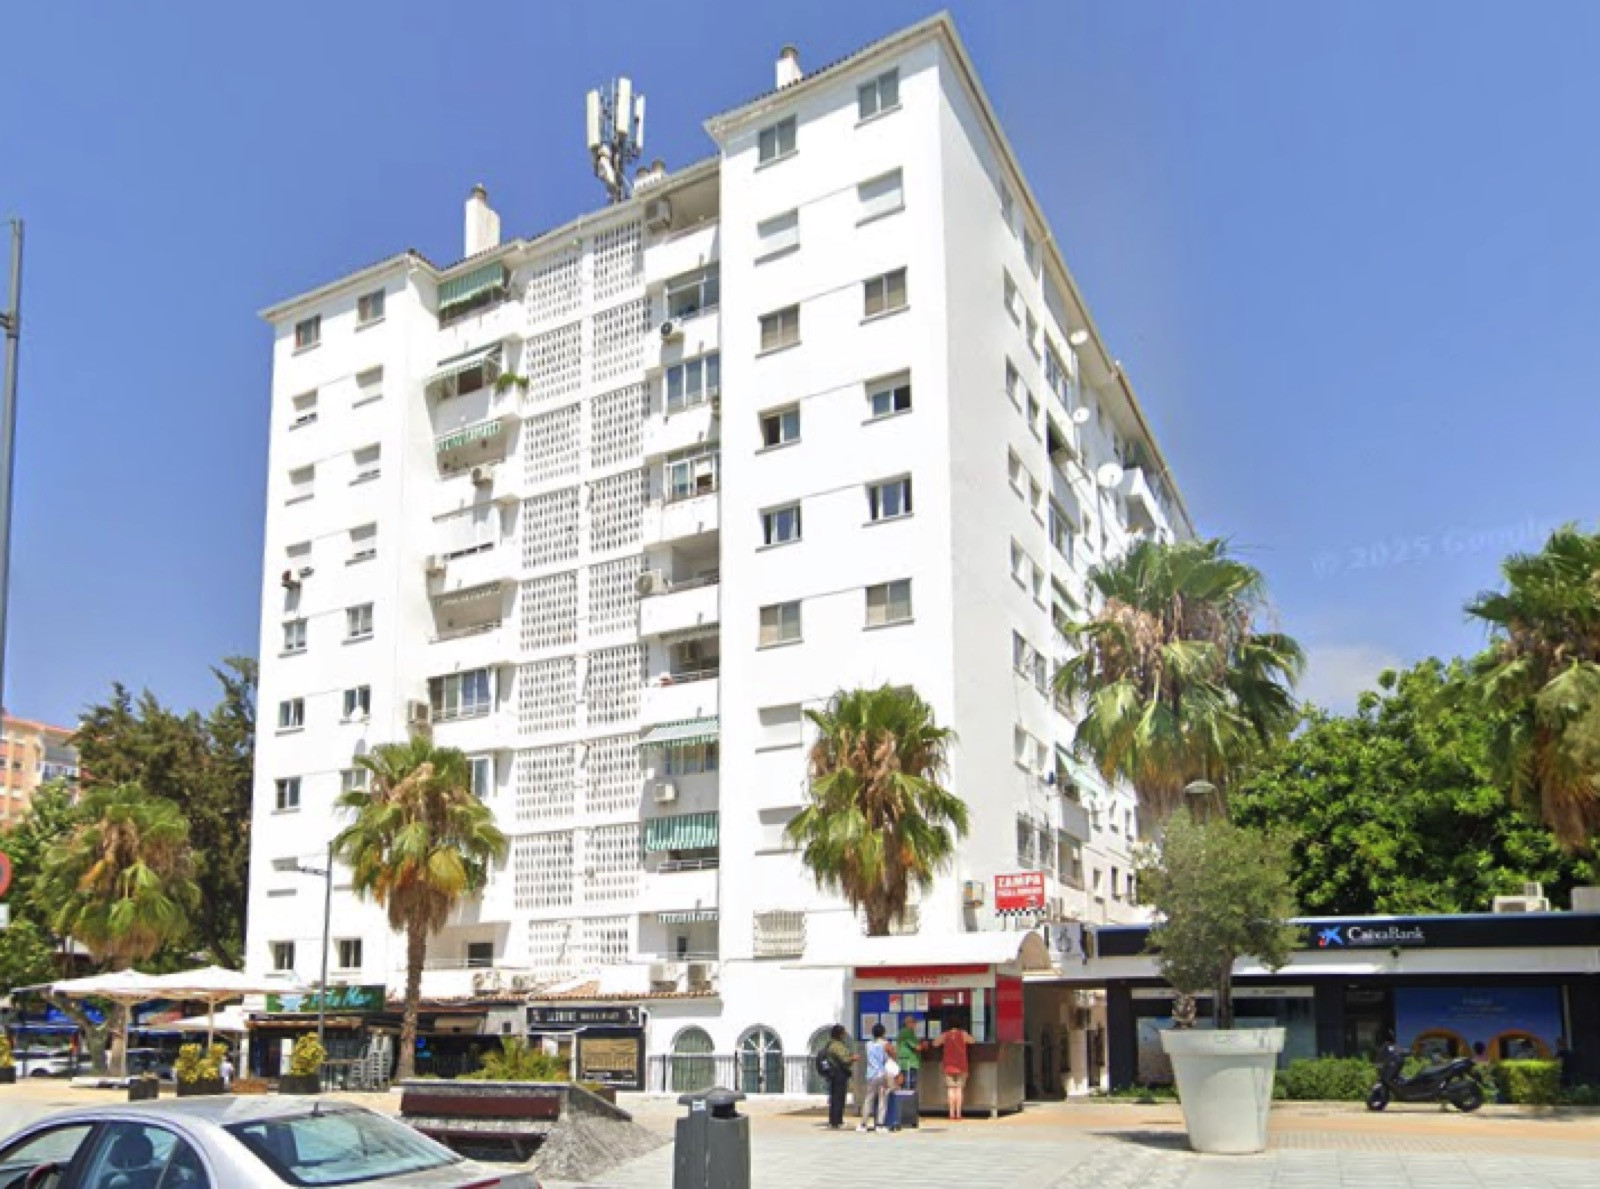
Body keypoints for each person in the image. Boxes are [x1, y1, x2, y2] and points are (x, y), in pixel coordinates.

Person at [934, 1018, 973, 1121]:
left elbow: (935, 1043)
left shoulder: (945, 1035)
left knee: (951, 1089)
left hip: (948, 1066)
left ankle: (951, 1114)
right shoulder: (963, 1034)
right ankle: (958, 1114)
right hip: (961, 1066)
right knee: (959, 1089)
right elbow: (972, 1041)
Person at [858, 1023, 893, 1132]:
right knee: (882, 1099)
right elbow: (892, 1054)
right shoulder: (885, 1043)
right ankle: (880, 1125)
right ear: (883, 1033)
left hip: (871, 1074)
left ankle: (863, 1124)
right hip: (881, 1074)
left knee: (868, 1099)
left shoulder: (868, 1044)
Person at [822, 1024, 856, 1129]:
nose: (845, 1034)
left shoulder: (832, 1044)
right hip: (839, 1073)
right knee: (839, 1098)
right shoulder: (836, 1045)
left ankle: (834, 1121)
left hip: (835, 1073)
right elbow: (844, 1059)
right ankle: (837, 1121)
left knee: (835, 1098)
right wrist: (853, 1058)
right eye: (843, 1032)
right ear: (839, 1034)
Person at [896, 1014, 922, 1092]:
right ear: (909, 1023)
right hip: (909, 1062)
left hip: (907, 1061)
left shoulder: (906, 1032)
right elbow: (916, 1047)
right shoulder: (907, 1032)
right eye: (914, 1023)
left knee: (907, 1083)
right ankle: (907, 1099)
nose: (915, 1025)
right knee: (909, 1084)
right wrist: (922, 1045)